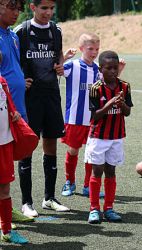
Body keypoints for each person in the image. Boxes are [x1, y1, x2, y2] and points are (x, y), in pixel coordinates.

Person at [14, 0, 69, 216]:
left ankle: (49, 198)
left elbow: (59, 53)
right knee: (28, 146)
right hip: (30, 97)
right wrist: (20, 79)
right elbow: (11, 61)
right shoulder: (21, 31)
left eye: (52, 8)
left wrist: (60, 65)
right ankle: (27, 202)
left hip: (51, 94)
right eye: (44, 8)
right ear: (32, 7)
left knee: (51, 145)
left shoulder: (56, 30)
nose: (49, 12)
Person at [84, 50, 133, 224]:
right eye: (108, 68)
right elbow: (94, 116)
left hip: (116, 136)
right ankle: (94, 208)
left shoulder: (125, 86)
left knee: (111, 171)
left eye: (115, 68)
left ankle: (109, 208)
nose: (113, 71)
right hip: (98, 136)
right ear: (100, 68)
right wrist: (110, 104)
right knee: (97, 171)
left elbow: (127, 113)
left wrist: (122, 104)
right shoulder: (95, 89)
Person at [0, 0, 35, 222]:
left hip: (16, 107)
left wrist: (21, 80)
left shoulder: (12, 35)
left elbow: (11, 67)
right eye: (11, 8)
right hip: (4, 109)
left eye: (18, 9)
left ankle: (6, 207)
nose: (16, 13)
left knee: (8, 161)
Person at [60, 32, 104, 198]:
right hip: (75, 118)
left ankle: (88, 185)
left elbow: (108, 85)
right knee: (73, 150)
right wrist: (64, 58)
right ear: (81, 48)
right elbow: (55, 69)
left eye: (97, 49)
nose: (94, 52)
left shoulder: (99, 69)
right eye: (90, 48)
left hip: (94, 119)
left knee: (91, 152)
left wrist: (119, 70)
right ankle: (70, 182)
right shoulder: (72, 65)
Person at [0, 63, 28, 244]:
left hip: (4, 143)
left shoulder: (2, 82)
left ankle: (7, 231)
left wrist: (14, 114)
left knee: (4, 189)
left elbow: (10, 107)